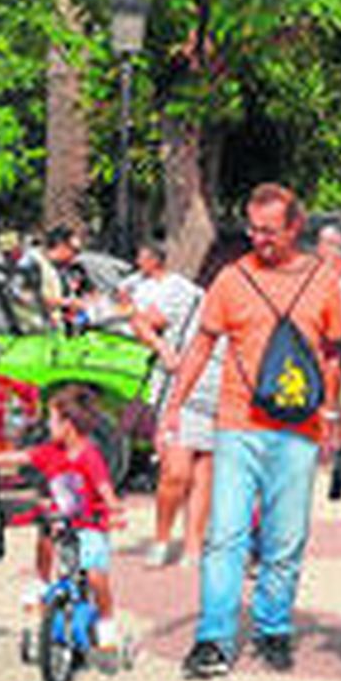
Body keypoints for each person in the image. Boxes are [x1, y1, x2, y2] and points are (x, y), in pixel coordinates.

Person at [162, 183, 341, 679]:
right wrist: (174, 406)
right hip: (237, 424)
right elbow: (201, 346)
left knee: (286, 536)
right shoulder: (231, 278)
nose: (259, 239)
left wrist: (331, 413)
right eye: (252, 229)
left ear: (294, 228)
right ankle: (213, 638)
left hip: (297, 427)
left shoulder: (323, 279)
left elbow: (331, 353)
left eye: (269, 231)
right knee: (226, 534)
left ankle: (273, 627)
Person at [0, 385, 125, 657]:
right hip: (61, 520)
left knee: (96, 575)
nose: (47, 426)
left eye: (52, 420)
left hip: (89, 524)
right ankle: (41, 580)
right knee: (46, 538)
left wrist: (114, 510)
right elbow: (18, 457)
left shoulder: (88, 456)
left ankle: (107, 620)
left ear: (68, 425)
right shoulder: (50, 451)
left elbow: (103, 486)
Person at [123, 240, 214, 567]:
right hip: (182, 394)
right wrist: (165, 351)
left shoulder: (250, 307)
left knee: (205, 473)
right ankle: (162, 538)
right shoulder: (185, 295)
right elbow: (140, 322)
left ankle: (193, 545)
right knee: (176, 471)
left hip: (219, 395)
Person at [33, 225, 81, 328]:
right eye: (74, 250)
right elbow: (25, 298)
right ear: (61, 245)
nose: (75, 256)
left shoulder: (58, 268)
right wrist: (66, 302)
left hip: (54, 331)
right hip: (35, 332)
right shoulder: (33, 262)